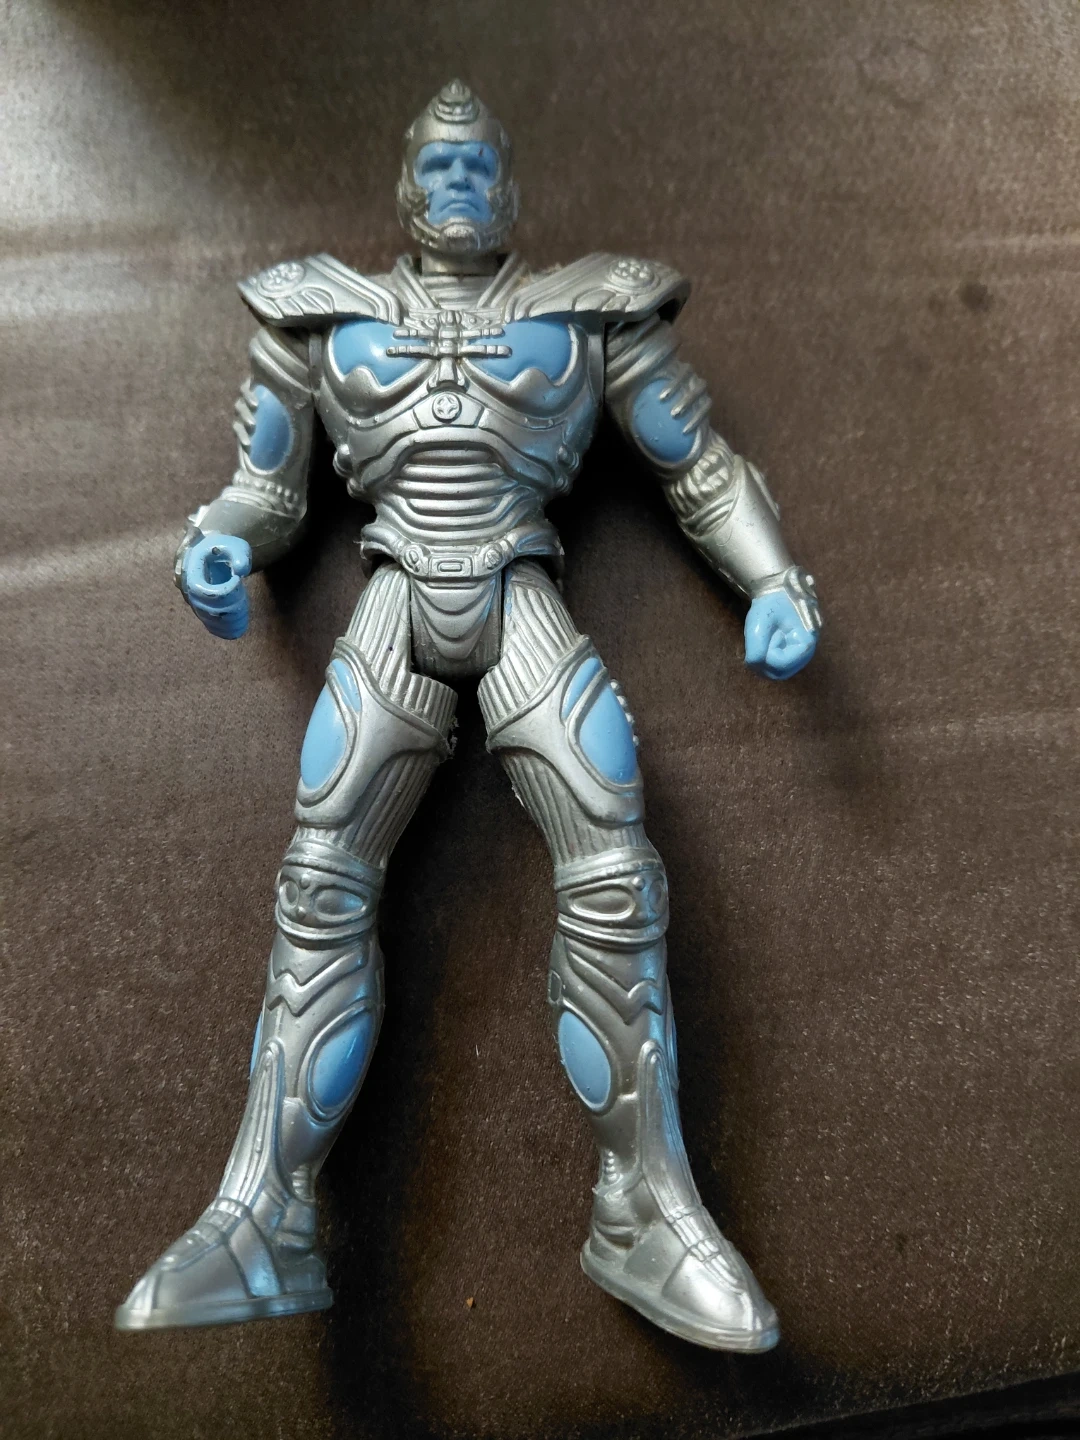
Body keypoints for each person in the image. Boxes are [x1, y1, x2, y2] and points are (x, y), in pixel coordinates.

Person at [116, 80, 821, 1351]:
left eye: (476, 167)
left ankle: (645, 1209)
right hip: (393, 595)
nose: (456, 184)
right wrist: (216, 545)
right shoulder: (318, 316)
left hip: (517, 590)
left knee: (614, 862)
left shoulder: (587, 314)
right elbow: (266, 491)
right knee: (320, 875)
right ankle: (262, 1216)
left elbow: (698, 468)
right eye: (436, 167)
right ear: (406, 186)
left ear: (510, 188)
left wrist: (773, 581)